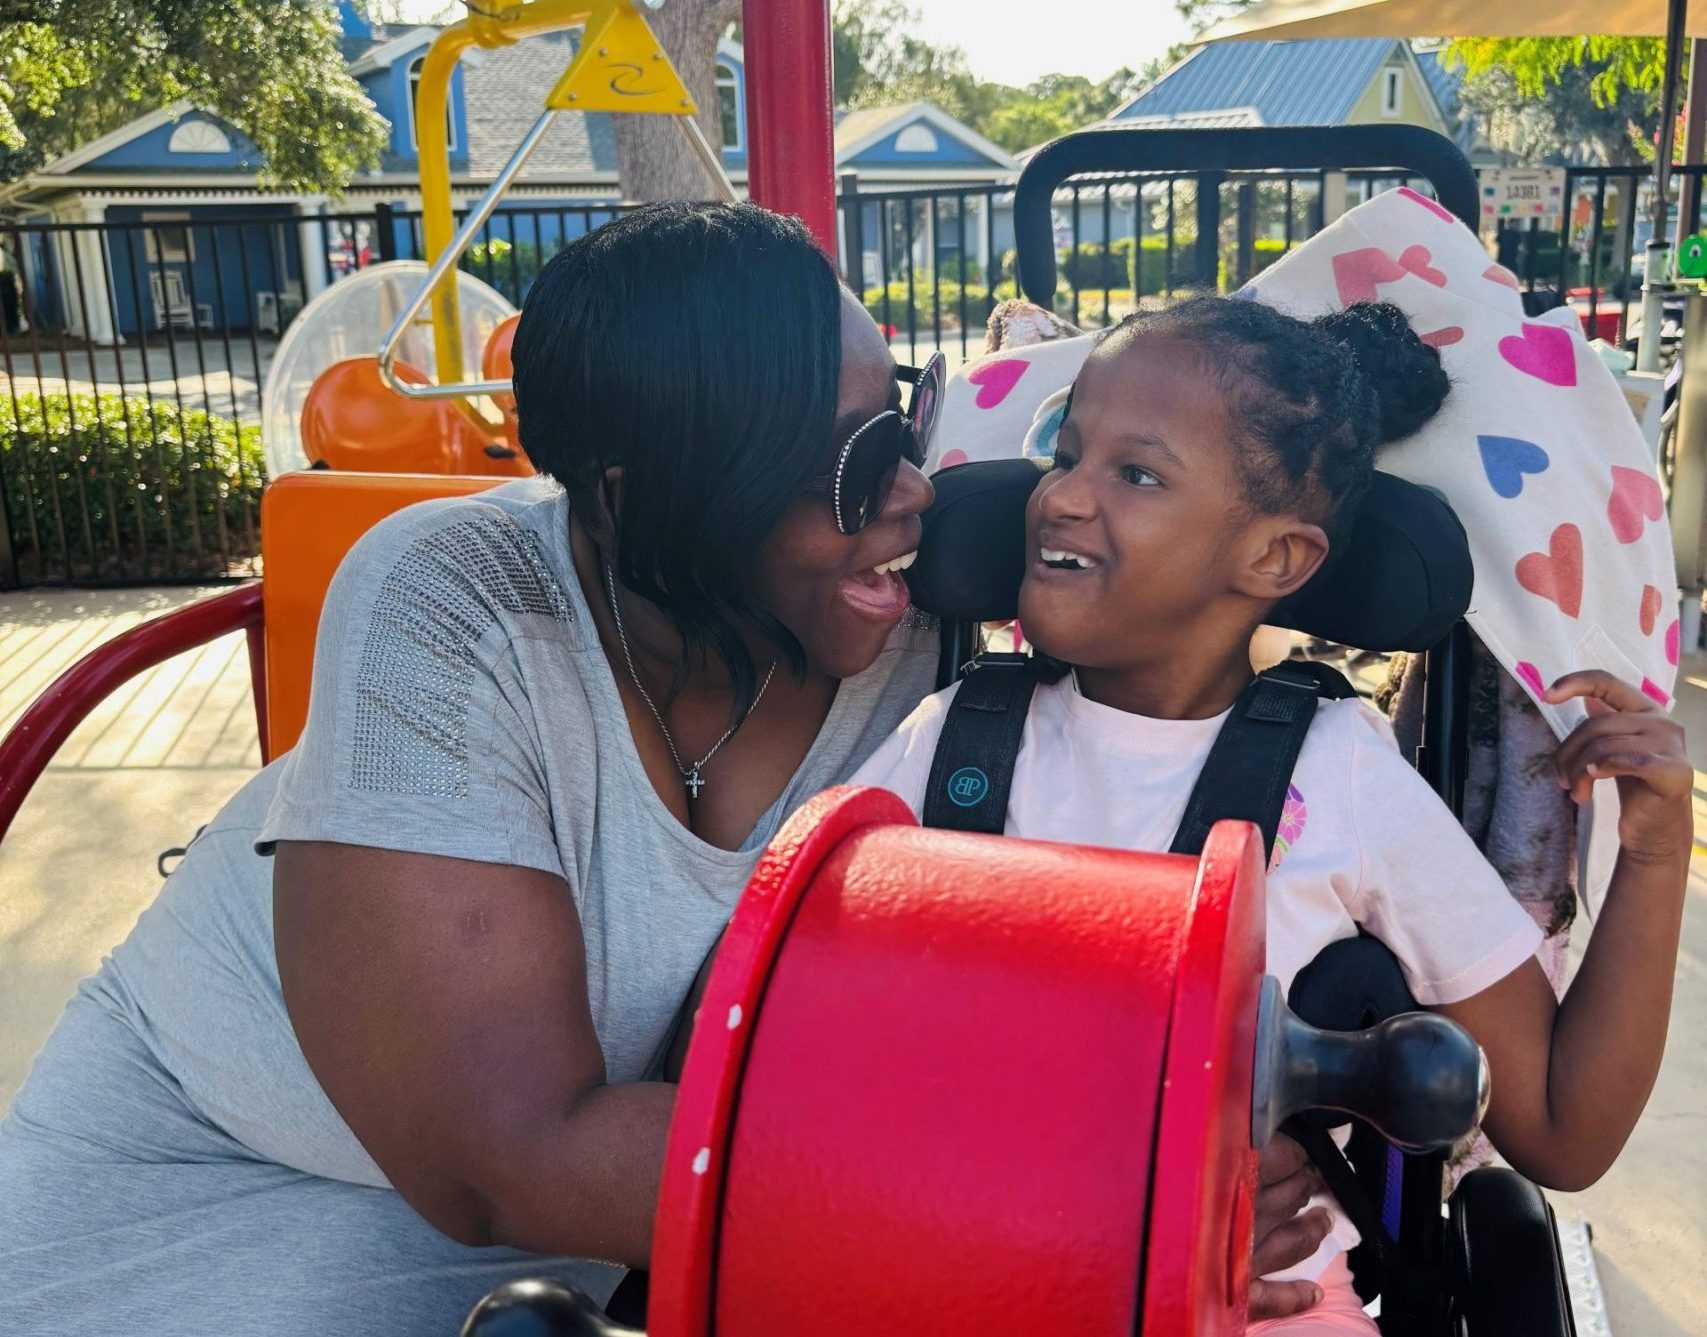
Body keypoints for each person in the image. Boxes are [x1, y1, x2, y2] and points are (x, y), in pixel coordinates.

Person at [0, 202, 943, 1333]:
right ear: (628, 495)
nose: (911, 492)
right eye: (854, 464)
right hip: (203, 1164)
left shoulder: (916, 619)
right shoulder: (455, 599)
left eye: (907, 423)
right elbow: (510, 1155)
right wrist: (1046, 1182)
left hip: (593, 1240)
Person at [852, 297, 1693, 1333]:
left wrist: (1654, 858)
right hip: (969, 1270)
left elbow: (1564, 1130)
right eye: (1066, 452)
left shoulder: (1339, 779)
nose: (1060, 496)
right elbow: (808, 1054)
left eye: (1136, 473)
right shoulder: (951, 745)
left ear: (1276, 559)